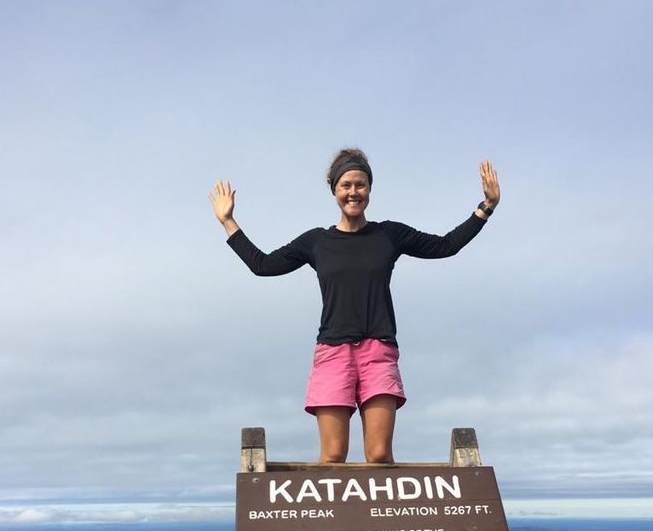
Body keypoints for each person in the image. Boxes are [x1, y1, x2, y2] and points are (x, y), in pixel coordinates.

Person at [209, 148, 500, 464]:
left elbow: (445, 246)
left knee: (378, 455)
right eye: (345, 185)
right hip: (333, 352)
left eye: (360, 185)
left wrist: (486, 207)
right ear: (334, 190)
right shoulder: (317, 242)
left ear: (370, 190)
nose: (353, 192)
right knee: (333, 456)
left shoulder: (389, 234)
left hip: (379, 352)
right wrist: (228, 222)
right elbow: (263, 265)